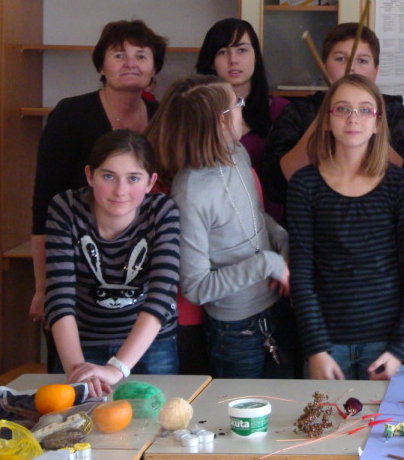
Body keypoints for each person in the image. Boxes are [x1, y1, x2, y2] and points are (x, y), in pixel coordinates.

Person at [286, 74, 404, 380]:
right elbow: (302, 273)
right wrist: (316, 349)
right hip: (326, 344)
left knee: (381, 415)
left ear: (378, 122)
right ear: (327, 120)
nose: (353, 118)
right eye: (342, 109)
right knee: (326, 414)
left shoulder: (399, 184)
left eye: (365, 110)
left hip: (387, 345)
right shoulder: (304, 185)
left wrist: (400, 349)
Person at [31, 20, 168, 332]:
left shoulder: (163, 117)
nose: (131, 63)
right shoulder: (71, 114)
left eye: (141, 56)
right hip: (75, 271)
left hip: (144, 274)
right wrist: (43, 286)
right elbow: (44, 201)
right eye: (119, 55)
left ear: (154, 68)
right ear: (101, 66)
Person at [155, 78, 292, 379]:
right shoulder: (190, 192)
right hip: (235, 330)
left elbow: (254, 216)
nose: (244, 107)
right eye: (237, 104)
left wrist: (280, 239)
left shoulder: (237, 153)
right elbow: (196, 287)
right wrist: (266, 263)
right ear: (221, 120)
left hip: (274, 308)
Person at [44, 130, 180, 396]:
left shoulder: (162, 211)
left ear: (151, 182)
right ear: (89, 175)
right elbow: (59, 297)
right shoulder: (65, 208)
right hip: (82, 343)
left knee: (154, 418)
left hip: (149, 345)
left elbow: (162, 296)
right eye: (108, 176)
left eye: (133, 178)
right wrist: (79, 372)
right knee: (82, 417)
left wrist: (117, 368)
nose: (121, 190)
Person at [260, 22, 404, 207]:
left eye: (362, 61)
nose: (351, 68)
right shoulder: (298, 111)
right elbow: (274, 187)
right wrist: (325, 115)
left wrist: (372, 125)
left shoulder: (392, 111)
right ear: (324, 66)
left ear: (375, 71)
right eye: (340, 59)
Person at [194, 18, 288, 184]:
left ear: (256, 56)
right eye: (222, 52)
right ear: (211, 62)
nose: (233, 60)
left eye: (242, 50)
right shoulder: (195, 112)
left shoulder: (284, 111)